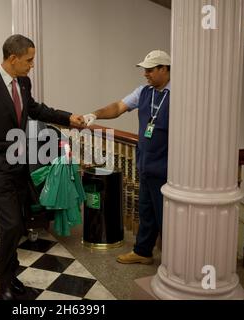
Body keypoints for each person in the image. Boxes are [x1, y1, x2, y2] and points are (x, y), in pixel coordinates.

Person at [0, 34, 84, 300]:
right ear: (13, 58)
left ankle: (11, 274)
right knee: (11, 224)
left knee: (17, 223)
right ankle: (3, 285)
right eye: (29, 60)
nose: (32, 65)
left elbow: (36, 109)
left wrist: (68, 118)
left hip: (20, 165)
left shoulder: (23, 83)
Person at [83, 50, 171, 265]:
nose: (146, 74)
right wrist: (94, 115)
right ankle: (143, 251)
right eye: (145, 70)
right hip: (146, 164)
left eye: (150, 70)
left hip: (167, 167)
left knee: (167, 218)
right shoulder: (143, 92)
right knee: (146, 211)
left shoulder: (179, 95)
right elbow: (119, 107)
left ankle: (176, 264)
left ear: (165, 69)